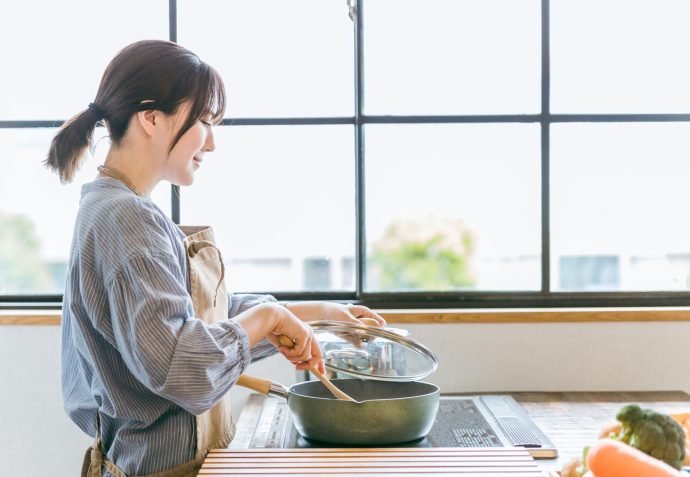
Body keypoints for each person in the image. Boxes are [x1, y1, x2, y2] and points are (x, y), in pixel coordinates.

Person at [45, 39, 384, 477]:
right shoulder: (126, 217)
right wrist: (267, 318)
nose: (212, 142)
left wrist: (314, 315)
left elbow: (195, 324)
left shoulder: (113, 206)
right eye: (204, 120)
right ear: (151, 118)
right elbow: (184, 368)